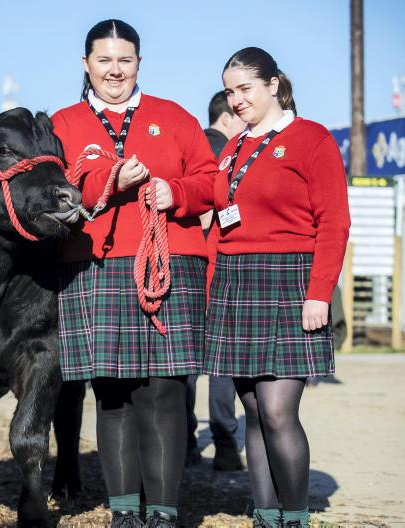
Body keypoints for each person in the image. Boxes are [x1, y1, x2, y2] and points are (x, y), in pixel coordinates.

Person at [155, 47, 350, 528]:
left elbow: (335, 222)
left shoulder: (311, 139)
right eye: (229, 91)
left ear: (273, 84)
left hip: (290, 281)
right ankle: (265, 514)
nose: (236, 99)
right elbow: (211, 205)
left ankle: (296, 516)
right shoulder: (233, 149)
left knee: (279, 411)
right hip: (234, 283)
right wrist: (172, 192)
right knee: (255, 411)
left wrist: (319, 292)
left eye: (245, 88)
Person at [51, 19, 216, 528]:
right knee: (113, 391)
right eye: (104, 60)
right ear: (86, 64)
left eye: (125, 60)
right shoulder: (61, 124)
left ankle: (163, 512)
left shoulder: (175, 116)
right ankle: (124, 512)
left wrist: (176, 192)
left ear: (139, 63)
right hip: (94, 265)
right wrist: (109, 179)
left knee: (164, 390)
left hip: (168, 261)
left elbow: (212, 181)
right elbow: (53, 194)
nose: (115, 70)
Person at [185, 91, 246, 470]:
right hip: (219, 270)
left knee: (186, 366)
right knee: (222, 364)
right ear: (225, 118)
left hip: (185, 270)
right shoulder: (230, 155)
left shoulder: (188, 152)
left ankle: (185, 444)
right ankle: (224, 445)